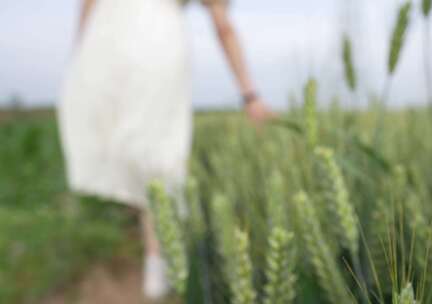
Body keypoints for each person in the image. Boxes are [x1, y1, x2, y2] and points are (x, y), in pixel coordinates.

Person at [58, 0, 273, 300]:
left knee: (127, 142)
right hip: (158, 42)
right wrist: (250, 94)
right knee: (159, 153)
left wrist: (79, 55)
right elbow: (223, 26)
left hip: (105, 39)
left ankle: (149, 248)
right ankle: (157, 266)